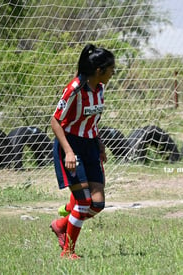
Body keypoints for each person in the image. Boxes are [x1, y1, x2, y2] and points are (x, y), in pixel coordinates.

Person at [49, 44, 115, 259]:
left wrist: (100, 144)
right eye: (111, 68)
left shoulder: (100, 89)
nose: (113, 72)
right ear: (99, 70)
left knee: (97, 204)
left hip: (90, 146)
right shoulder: (75, 88)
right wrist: (68, 151)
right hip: (71, 146)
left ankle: (61, 224)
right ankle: (68, 251)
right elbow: (55, 121)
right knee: (83, 202)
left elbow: (92, 121)